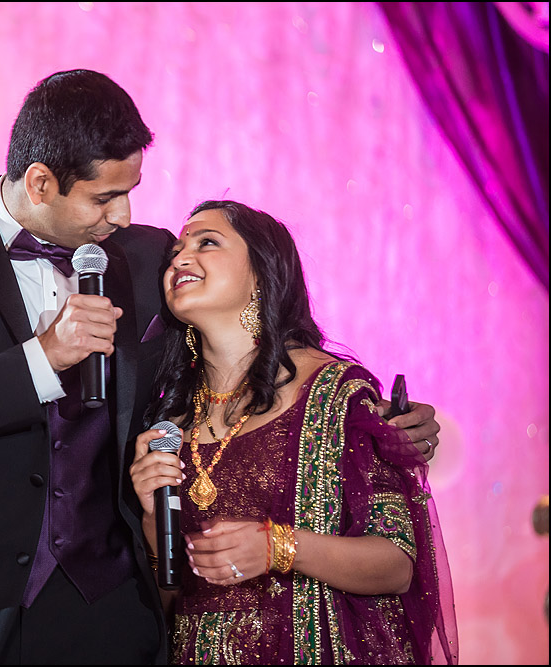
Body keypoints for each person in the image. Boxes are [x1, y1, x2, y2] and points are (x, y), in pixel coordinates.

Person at [0, 69, 443, 664]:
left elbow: (249, 326)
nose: (126, 215)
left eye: (131, 191)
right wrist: (42, 359)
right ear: (40, 182)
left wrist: (383, 425)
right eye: (105, 197)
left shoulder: (148, 257)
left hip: (107, 612)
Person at [129, 200, 457, 664]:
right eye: (177, 251)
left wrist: (277, 546)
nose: (180, 258)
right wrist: (150, 517)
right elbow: (168, 604)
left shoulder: (333, 394)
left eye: (206, 242)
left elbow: (397, 563)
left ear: (262, 271)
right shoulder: (169, 425)